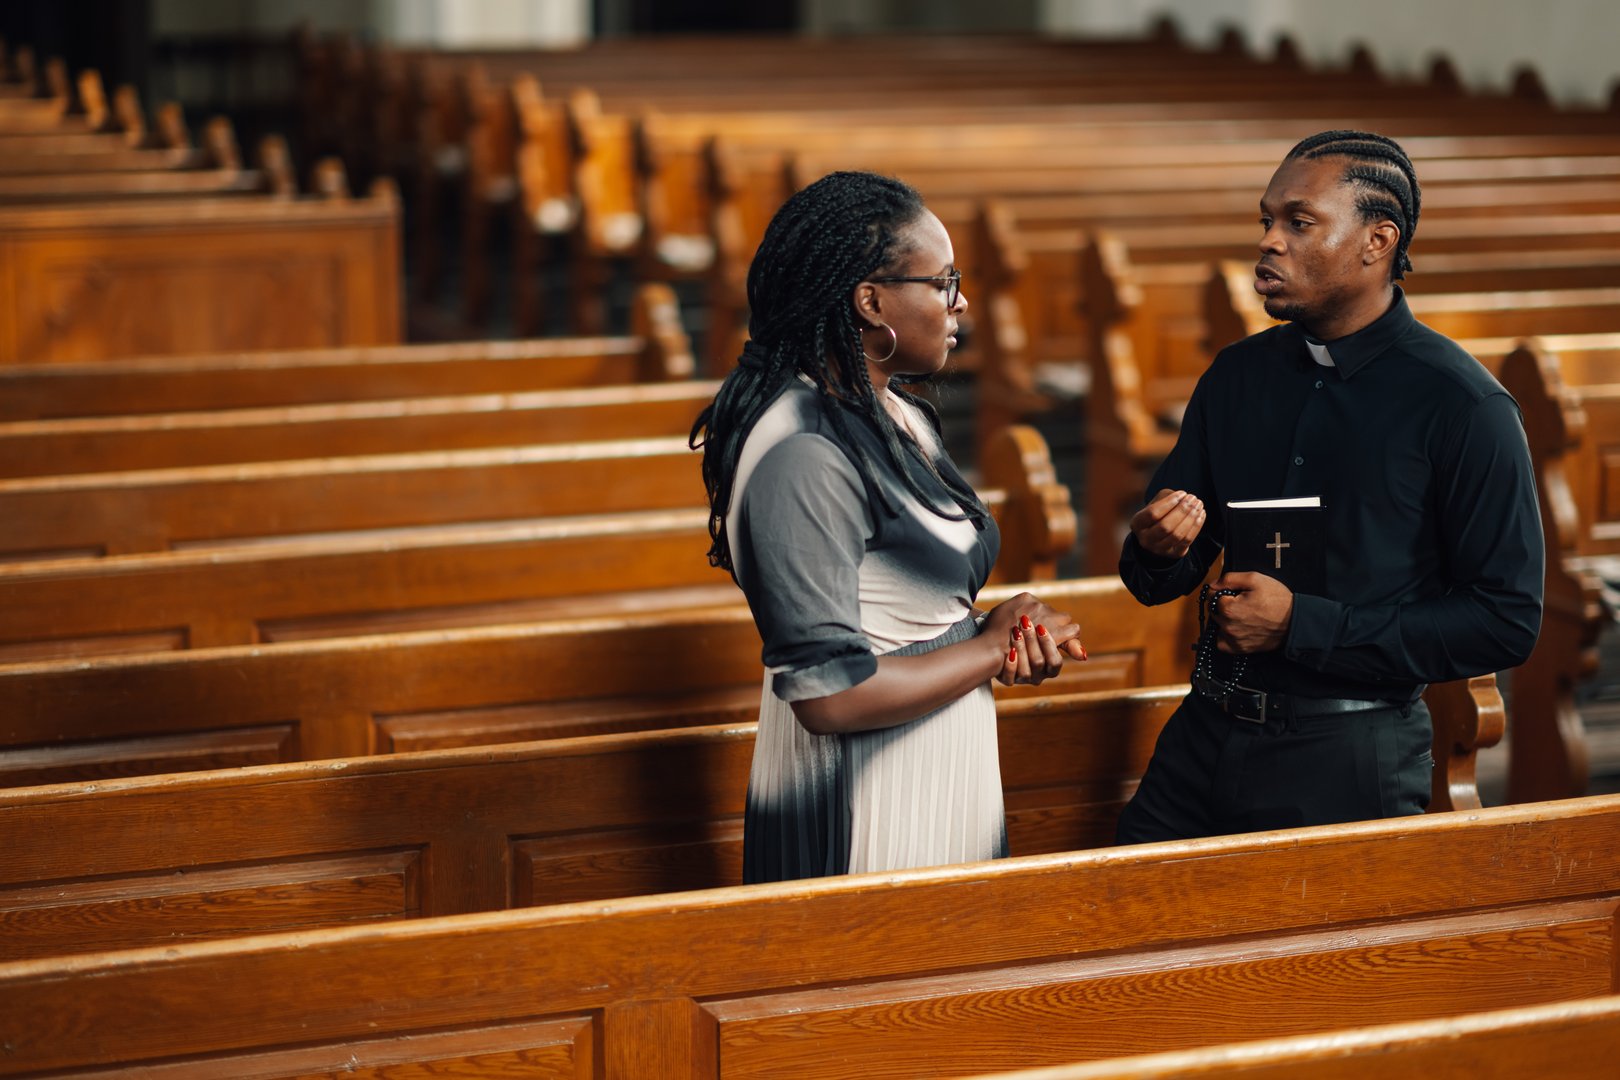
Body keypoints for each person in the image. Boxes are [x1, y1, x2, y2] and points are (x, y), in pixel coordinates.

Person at [1115, 130, 1544, 843]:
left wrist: (1301, 626)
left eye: (1299, 222)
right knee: (1113, 937)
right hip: (1203, 735)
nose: (1270, 243)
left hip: (1349, 758)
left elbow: (1505, 620)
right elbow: (1157, 578)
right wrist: (1161, 547)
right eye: (1267, 221)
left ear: (1378, 241)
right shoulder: (1236, 376)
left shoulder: (1464, 407)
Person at [691, 170, 1086, 883]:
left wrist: (998, 628)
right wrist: (990, 650)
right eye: (943, 282)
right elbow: (827, 695)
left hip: (934, 765)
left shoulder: (894, 409)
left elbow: (910, 610)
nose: (962, 301)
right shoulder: (803, 452)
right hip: (857, 804)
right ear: (871, 301)